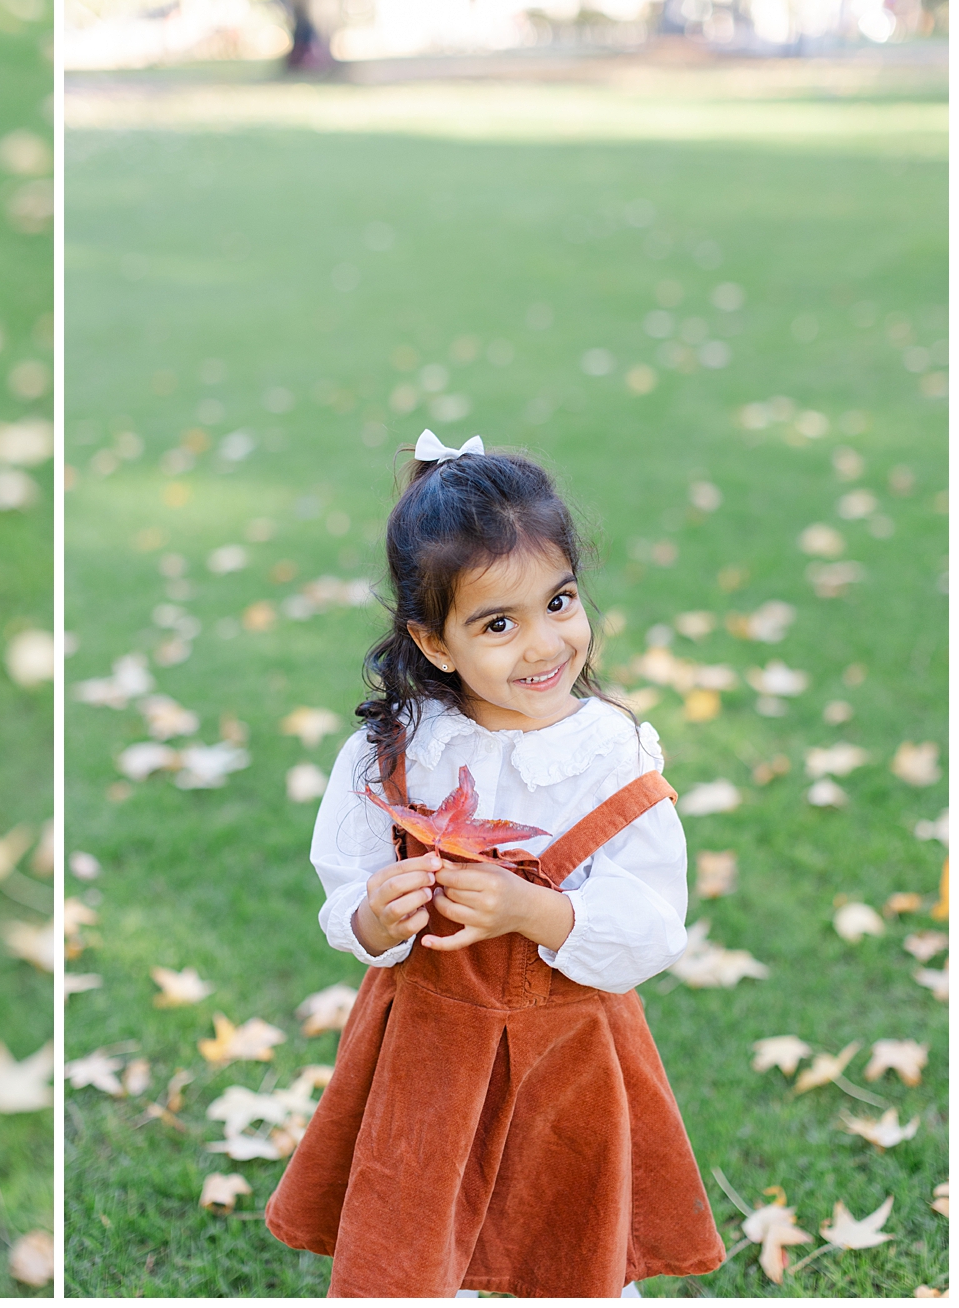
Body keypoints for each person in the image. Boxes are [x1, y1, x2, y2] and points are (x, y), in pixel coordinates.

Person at [265, 431, 726, 1298]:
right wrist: (374, 916)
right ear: (435, 643)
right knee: (422, 1238)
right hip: (429, 1051)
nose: (545, 645)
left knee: (562, 1240)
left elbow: (653, 923)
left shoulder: (611, 758)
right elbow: (345, 885)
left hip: (569, 1054)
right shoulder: (395, 755)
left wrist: (533, 910)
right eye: (498, 624)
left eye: (560, 601)